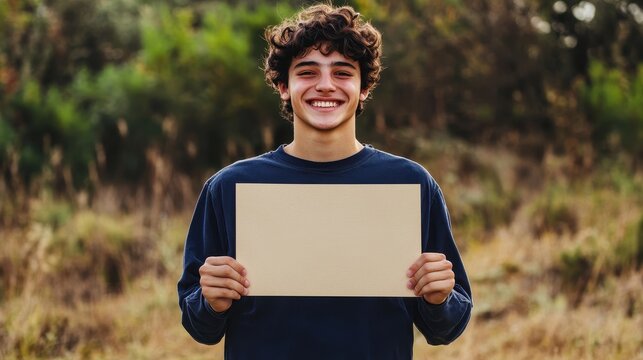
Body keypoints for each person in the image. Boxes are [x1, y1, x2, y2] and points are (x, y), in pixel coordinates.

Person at [178, 4, 472, 359]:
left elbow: (446, 327)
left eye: (343, 72)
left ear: (364, 88)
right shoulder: (230, 188)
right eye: (307, 71)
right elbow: (200, 326)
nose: (326, 85)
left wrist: (439, 298)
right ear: (284, 86)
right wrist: (210, 303)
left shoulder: (410, 184)